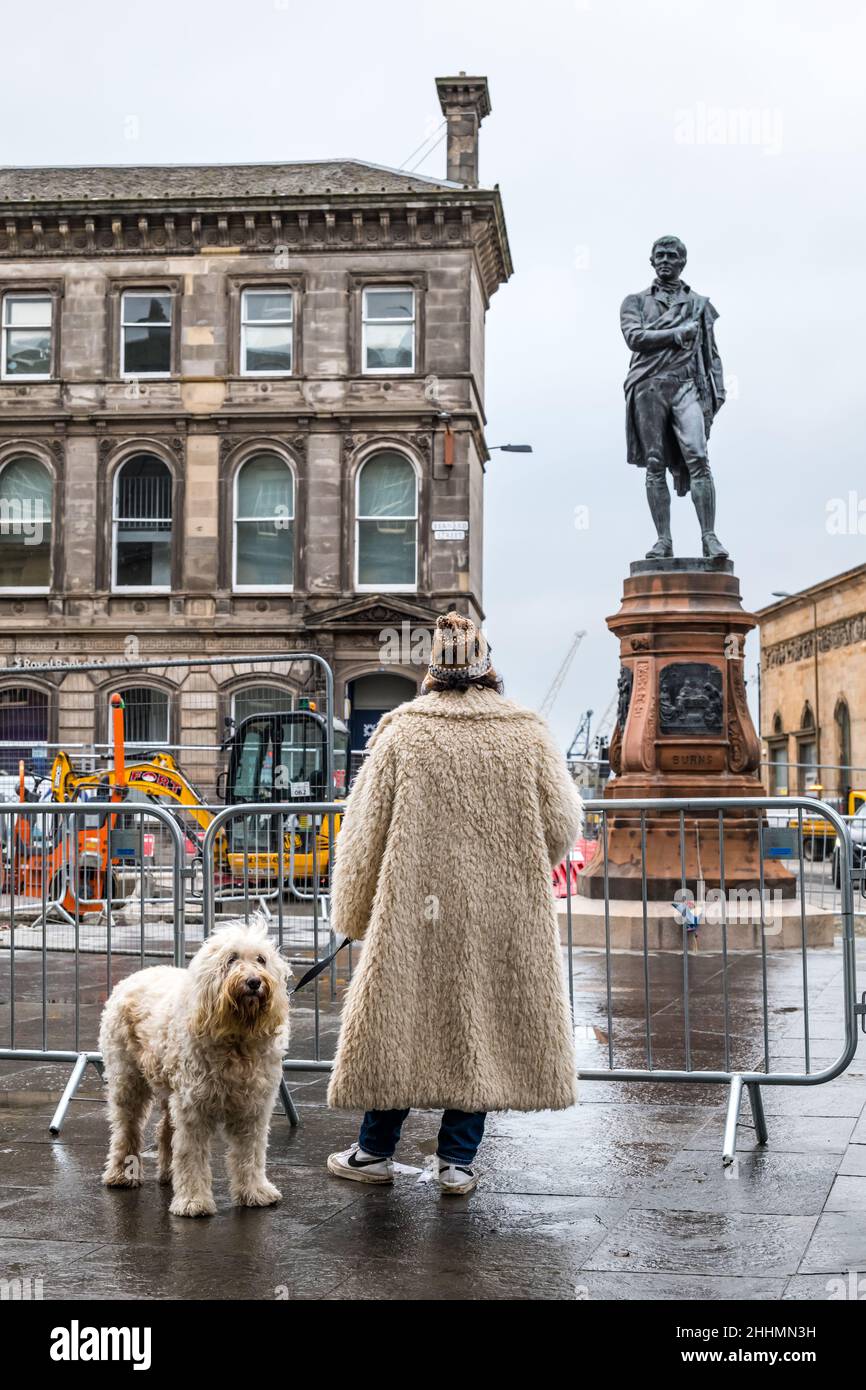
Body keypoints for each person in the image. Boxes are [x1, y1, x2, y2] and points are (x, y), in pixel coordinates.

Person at [326, 611, 583, 1196]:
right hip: (501, 909)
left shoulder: (403, 731)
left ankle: (373, 1152)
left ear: (432, 671)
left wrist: (353, 910)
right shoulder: (526, 731)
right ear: (488, 666)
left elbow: (363, 831)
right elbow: (563, 824)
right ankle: (457, 1162)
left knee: (400, 1019)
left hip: (414, 906)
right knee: (482, 1020)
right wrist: (518, 863)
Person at [621, 234, 728, 561]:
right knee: (654, 462)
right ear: (652, 261)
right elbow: (634, 337)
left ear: (682, 262)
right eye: (660, 255)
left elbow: (712, 352)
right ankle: (663, 540)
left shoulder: (699, 304)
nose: (666, 260)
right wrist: (676, 334)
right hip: (649, 384)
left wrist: (719, 389)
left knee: (698, 456)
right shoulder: (635, 302)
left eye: (672, 255)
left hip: (686, 384)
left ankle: (709, 538)